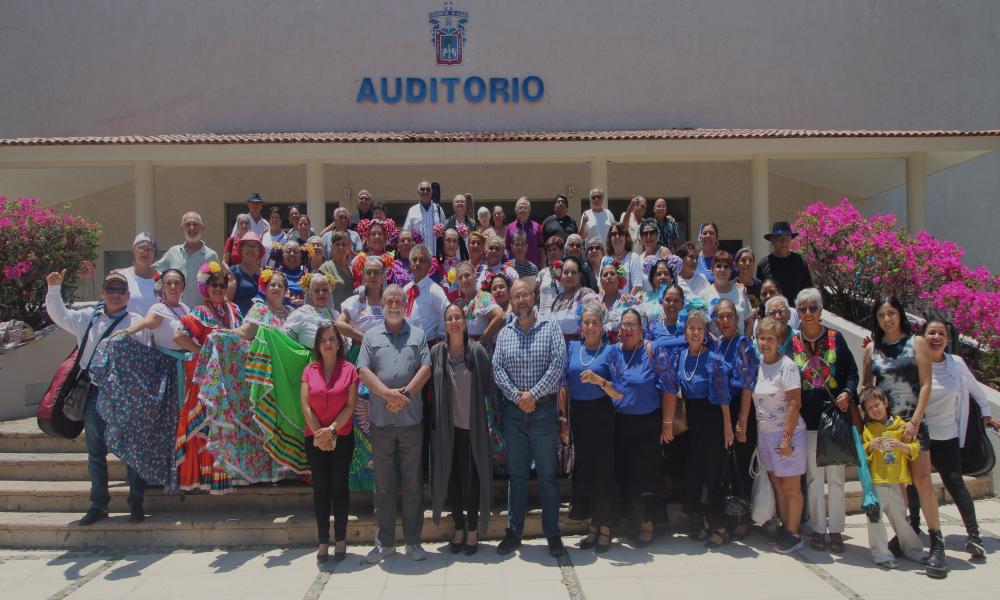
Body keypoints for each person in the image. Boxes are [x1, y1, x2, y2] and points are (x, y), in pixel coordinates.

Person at [45, 270, 147, 525]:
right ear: (102, 293)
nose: (115, 294)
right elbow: (60, 316)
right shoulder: (87, 319)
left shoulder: (136, 321)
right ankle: (99, 504)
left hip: (124, 397)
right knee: (95, 452)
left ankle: (136, 502)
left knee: (132, 451)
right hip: (93, 394)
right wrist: (54, 289)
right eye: (110, 289)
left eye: (120, 290)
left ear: (127, 295)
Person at [863, 295, 948, 578]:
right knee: (897, 487)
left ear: (900, 314)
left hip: (912, 424)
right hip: (885, 428)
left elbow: (925, 384)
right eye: (881, 315)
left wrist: (915, 421)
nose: (887, 319)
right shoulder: (872, 348)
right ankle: (906, 534)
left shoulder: (917, 343)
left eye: (891, 313)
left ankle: (936, 543)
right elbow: (867, 387)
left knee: (923, 481)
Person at [492, 279, 568, 558]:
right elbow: (497, 369)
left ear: (533, 297)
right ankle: (514, 533)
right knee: (518, 474)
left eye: (525, 295)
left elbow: (558, 363)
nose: (521, 300)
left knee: (547, 475)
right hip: (514, 413)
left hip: (544, 411)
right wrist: (517, 397)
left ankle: (553, 534)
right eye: (516, 297)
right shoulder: (505, 333)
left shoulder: (550, 328)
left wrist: (532, 395)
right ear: (510, 301)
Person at [358, 285, 433, 563]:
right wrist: (386, 394)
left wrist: (406, 394)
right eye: (389, 300)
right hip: (382, 420)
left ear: (405, 304)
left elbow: (425, 368)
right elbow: (363, 369)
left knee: (413, 483)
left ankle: (413, 541)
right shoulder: (370, 336)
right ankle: (386, 542)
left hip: (411, 420)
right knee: (383, 485)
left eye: (398, 300)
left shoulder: (418, 334)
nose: (393, 305)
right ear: (383, 304)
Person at [914, 319, 997, 559]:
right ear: (922, 337)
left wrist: (986, 417)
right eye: (931, 332)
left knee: (955, 483)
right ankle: (913, 525)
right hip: (920, 434)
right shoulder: (916, 362)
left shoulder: (956, 364)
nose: (936, 337)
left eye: (941, 333)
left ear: (947, 339)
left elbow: (979, 395)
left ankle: (974, 535)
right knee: (914, 482)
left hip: (948, 434)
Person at [790, 288, 857, 553]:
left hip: (834, 420)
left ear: (820, 311)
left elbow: (852, 372)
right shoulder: (792, 343)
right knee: (814, 479)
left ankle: (837, 530)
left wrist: (847, 393)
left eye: (813, 308)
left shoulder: (835, 338)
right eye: (803, 309)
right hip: (807, 422)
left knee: (837, 478)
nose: (808, 313)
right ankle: (819, 528)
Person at [660, 309, 732, 548]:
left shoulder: (713, 359)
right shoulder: (680, 356)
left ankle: (719, 526)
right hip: (690, 423)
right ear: (685, 331)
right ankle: (703, 523)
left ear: (706, 332)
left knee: (712, 475)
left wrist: (728, 428)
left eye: (700, 328)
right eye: (691, 328)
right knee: (695, 474)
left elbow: (723, 398)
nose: (695, 332)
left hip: (711, 421)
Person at [172, 262, 244, 494]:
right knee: (206, 425)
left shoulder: (234, 310)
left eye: (222, 285)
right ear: (206, 287)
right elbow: (178, 337)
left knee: (226, 427)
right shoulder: (200, 312)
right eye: (214, 284)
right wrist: (203, 352)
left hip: (230, 380)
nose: (219, 289)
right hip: (205, 380)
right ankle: (200, 477)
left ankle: (227, 475)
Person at [430, 305, 495, 556]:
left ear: (465, 322)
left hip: (472, 427)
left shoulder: (476, 351)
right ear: (444, 323)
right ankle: (457, 526)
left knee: (471, 482)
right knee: (451, 480)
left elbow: (488, 385)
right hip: (448, 428)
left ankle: (472, 528)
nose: (454, 321)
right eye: (450, 318)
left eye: (458, 317)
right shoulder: (437, 352)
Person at [563, 301, 624, 553]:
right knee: (586, 471)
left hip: (602, 415)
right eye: (586, 322)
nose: (590, 326)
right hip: (579, 415)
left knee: (603, 472)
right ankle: (592, 526)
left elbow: (619, 392)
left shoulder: (610, 351)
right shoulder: (572, 347)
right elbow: (564, 385)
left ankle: (605, 528)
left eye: (594, 322)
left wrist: (599, 380)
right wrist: (563, 420)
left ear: (602, 326)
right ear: (581, 325)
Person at [614, 308, 671, 547]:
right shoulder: (614, 352)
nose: (627, 330)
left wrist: (667, 424)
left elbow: (669, 387)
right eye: (624, 325)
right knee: (626, 474)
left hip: (648, 423)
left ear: (641, 328)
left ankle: (648, 525)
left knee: (645, 476)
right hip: (620, 423)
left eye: (632, 325)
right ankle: (632, 522)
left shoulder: (653, 350)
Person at [301, 323, 357, 564]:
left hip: (342, 436)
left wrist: (332, 431)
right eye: (323, 340)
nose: (328, 344)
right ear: (318, 344)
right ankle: (323, 540)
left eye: (332, 339)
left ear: (339, 343)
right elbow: (305, 405)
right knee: (321, 491)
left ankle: (341, 540)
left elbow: (350, 405)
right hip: (314, 438)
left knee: (339, 489)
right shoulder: (309, 370)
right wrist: (320, 435)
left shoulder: (350, 370)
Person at [753, 317, 807, 554]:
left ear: (779, 341)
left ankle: (794, 534)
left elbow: (795, 403)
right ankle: (786, 529)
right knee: (777, 483)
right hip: (765, 434)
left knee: (791, 487)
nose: (765, 343)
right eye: (762, 338)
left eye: (770, 339)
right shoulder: (760, 365)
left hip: (788, 434)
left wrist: (786, 436)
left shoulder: (788, 366)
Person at [861, 387, 926, 570]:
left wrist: (902, 446)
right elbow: (862, 455)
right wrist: (871, 446)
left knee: (900, 519)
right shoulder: (867, 430)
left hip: (897, 481)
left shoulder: (900, 426)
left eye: (877, 405)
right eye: (870, 407)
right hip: (876, 482)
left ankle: (913, 549)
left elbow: (914, 449)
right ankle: (881, 554)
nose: (875, 409)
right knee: (875, 519)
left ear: (885, 403)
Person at [714, 298, 760, 541]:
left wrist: (741, 420)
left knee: (741, 466)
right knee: (730, 468)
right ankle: (732, 515)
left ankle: (743, 521)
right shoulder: (720, 344)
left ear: (737, 318)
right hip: (725, 410)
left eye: (728, 316)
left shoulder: (742, 344)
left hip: (741, 409)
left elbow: (747, 385)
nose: (724, 321)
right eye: (720, 316)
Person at [154, 211, 221, 308]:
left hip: (201, 315)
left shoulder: (211, 256)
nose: (192, 228)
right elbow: (155, 272)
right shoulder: (173, 252)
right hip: (176, 313)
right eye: (188, 224)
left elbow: (218, 285)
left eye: (195, 224)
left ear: (202, 227)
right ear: (182, 228)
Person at [756, 221, 814, 306]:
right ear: (772, 241)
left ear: (791, 239)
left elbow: (808, 290)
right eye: (779, 237)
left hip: (796, 314)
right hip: (773, 313)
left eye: (787, 237)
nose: (784, 241)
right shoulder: (763, 264)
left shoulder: (800, 261)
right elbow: (760, 293)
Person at [402, 245, 450, 345]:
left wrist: (441, 337)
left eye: (422, 260)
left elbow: (446, 312)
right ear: (410, 264)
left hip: (428, 345)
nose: (417, 263)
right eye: (414, 260)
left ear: (429, 265)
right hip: (406, 343)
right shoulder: (405, 289)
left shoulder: (435, 290)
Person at [701, 250, 753, 338]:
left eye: (726, 266)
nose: (722, 269)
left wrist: (745, 343)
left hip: (738, 347)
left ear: (731, 271)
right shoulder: (704, 294)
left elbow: (749, 322)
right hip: (714, 348)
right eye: (718, 266)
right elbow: (701, 325)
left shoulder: (740, 291)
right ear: (712, 270)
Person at [231, 270, 292, 341]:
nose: (276, 288)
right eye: (272, 285)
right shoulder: (261, 309)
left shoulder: (291, 311)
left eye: (280, 286)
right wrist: (226, 333)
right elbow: (244, 332)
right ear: (265, 289)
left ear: (285, 291)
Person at [454, 262, 505, 347]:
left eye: (467, 275)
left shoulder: (484, 297)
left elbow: (500, 316)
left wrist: (481, 340)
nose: (464, 280)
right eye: (460, 277)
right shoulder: (458, 303)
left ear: (474, 276)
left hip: (479, 352)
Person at [549, 256, 597, 341]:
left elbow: (596, 312)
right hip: (558, 348)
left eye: (573, 272)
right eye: (566, 272)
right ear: (561, 275)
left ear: (579, 275)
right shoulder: (557, 300)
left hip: (579, 347)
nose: (569, 275)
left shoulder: (585, 294)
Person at [599, 258, 640, 344]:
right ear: (601, 281)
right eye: (605, 275)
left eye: (612, 274)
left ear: (618, 279)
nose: (609, 276)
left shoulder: (629, 300)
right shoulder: (596, 304)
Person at [117, 232, 159, 315]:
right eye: (141, 247)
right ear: (133, 249)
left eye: (150, 249)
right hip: (128, 327)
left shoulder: (163, 279)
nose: (145, 252)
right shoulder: (121, 276)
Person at [227, 231, 265, 316]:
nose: (251, 249)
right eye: (247, 246)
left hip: (262, 323)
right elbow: (228, 301)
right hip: (240, 321)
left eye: (255, 246)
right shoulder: (234, 271)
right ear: (241, 250)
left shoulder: (266, 273)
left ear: (259, 251)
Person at [402, 180, 447, 248]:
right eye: (422, 189)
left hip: (436, 254)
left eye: (428, 189)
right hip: (418, 255)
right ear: (418, 193)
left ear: (431, 193)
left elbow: (445, 232)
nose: (425, 192)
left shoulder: (438, 209)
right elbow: (406, 234)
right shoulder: (412, 211)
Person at [318, 231, 355, 311]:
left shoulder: (352, 270)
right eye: (337, 244)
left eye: (344, 244)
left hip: (351, 318)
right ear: (332, 247)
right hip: (332, 317)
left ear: (349, 248)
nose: (341, 247)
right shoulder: (325, 268)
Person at [605, 222, 644, 294]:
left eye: (620, 233)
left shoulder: (634, 258)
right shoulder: (605, 259)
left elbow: (637, 287)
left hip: (628, 303)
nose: (617, 236)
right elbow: (601, 287)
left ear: (626, 237)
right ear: (610, 238)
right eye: (613, 234)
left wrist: (624, 303)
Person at [503, 197, 543, 267]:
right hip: (514, 267)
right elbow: (507, 248)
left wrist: (543, 264)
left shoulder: (537, 226)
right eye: (520, 208)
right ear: (516, 210)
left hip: (533, 268)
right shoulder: (510, 227)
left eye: (525, 208)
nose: (522, 210)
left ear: (529, 210)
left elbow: (541, 248)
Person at [648, 284, 686, 354]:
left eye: (676, 300)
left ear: (682, 304)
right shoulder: (653, 328)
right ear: (662, 302)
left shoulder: (690, 327)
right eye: (668, 300)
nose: (671, 304)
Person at [637, 220, 671, 291]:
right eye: (645, 234)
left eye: (652, 233)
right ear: (641, 237)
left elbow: (670, 279)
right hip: (645, 300)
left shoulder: (664, 252)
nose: (648, 237)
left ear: (658, 235)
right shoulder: (639, 258)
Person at [638, 258, 675, 326]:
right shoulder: (643, 297)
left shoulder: (678, 297)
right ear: (652, 278)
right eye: (658, 274)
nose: (662, 277)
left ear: (671, 278)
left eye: (666, 274)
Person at [536, 236, 565, 318]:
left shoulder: (567, 270)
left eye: (555, 249)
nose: (552, 252)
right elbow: (536, 295)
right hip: (543, 316)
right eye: (549, 251)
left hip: (561, 315)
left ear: (561, 251)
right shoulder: (542, 273)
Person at [277, 240, 309, 308]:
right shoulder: (275, 274)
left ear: (301, 256)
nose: (292, 254)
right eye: (288, 251)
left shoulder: (308, 275)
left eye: (296, 252)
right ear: (282, 255)